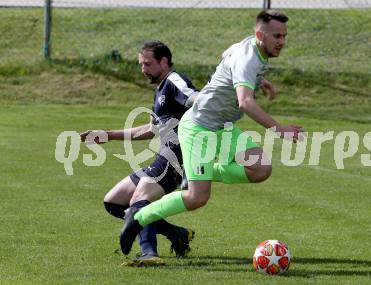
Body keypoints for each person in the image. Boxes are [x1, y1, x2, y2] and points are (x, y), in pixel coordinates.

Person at [119, 10, 304, 255]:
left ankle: (196, 171)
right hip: (199, 128)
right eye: (277, 36)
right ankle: (140, 216)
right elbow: (245, 103)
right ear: (260, 34)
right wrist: (279, 129)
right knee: (197, 198)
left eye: (284, 36)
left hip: (222, 127)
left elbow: (226, 55)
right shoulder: (248, 58)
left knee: (260, 168)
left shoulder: (250, 47)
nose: (281, 41)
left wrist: (258, 81)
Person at [80, 41, 198, 266]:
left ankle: (148, 253)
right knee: (114, 202)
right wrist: (107, 135)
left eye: (148, 64)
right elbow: (151, 129)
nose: (143, 69)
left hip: (177, 156)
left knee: (139, 200)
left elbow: (195, 97)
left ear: (164, 61)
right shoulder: (160, 89)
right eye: (141, 64)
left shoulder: (173, 81)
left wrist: (214, 102)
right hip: (164, 154)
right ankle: (177, 234)